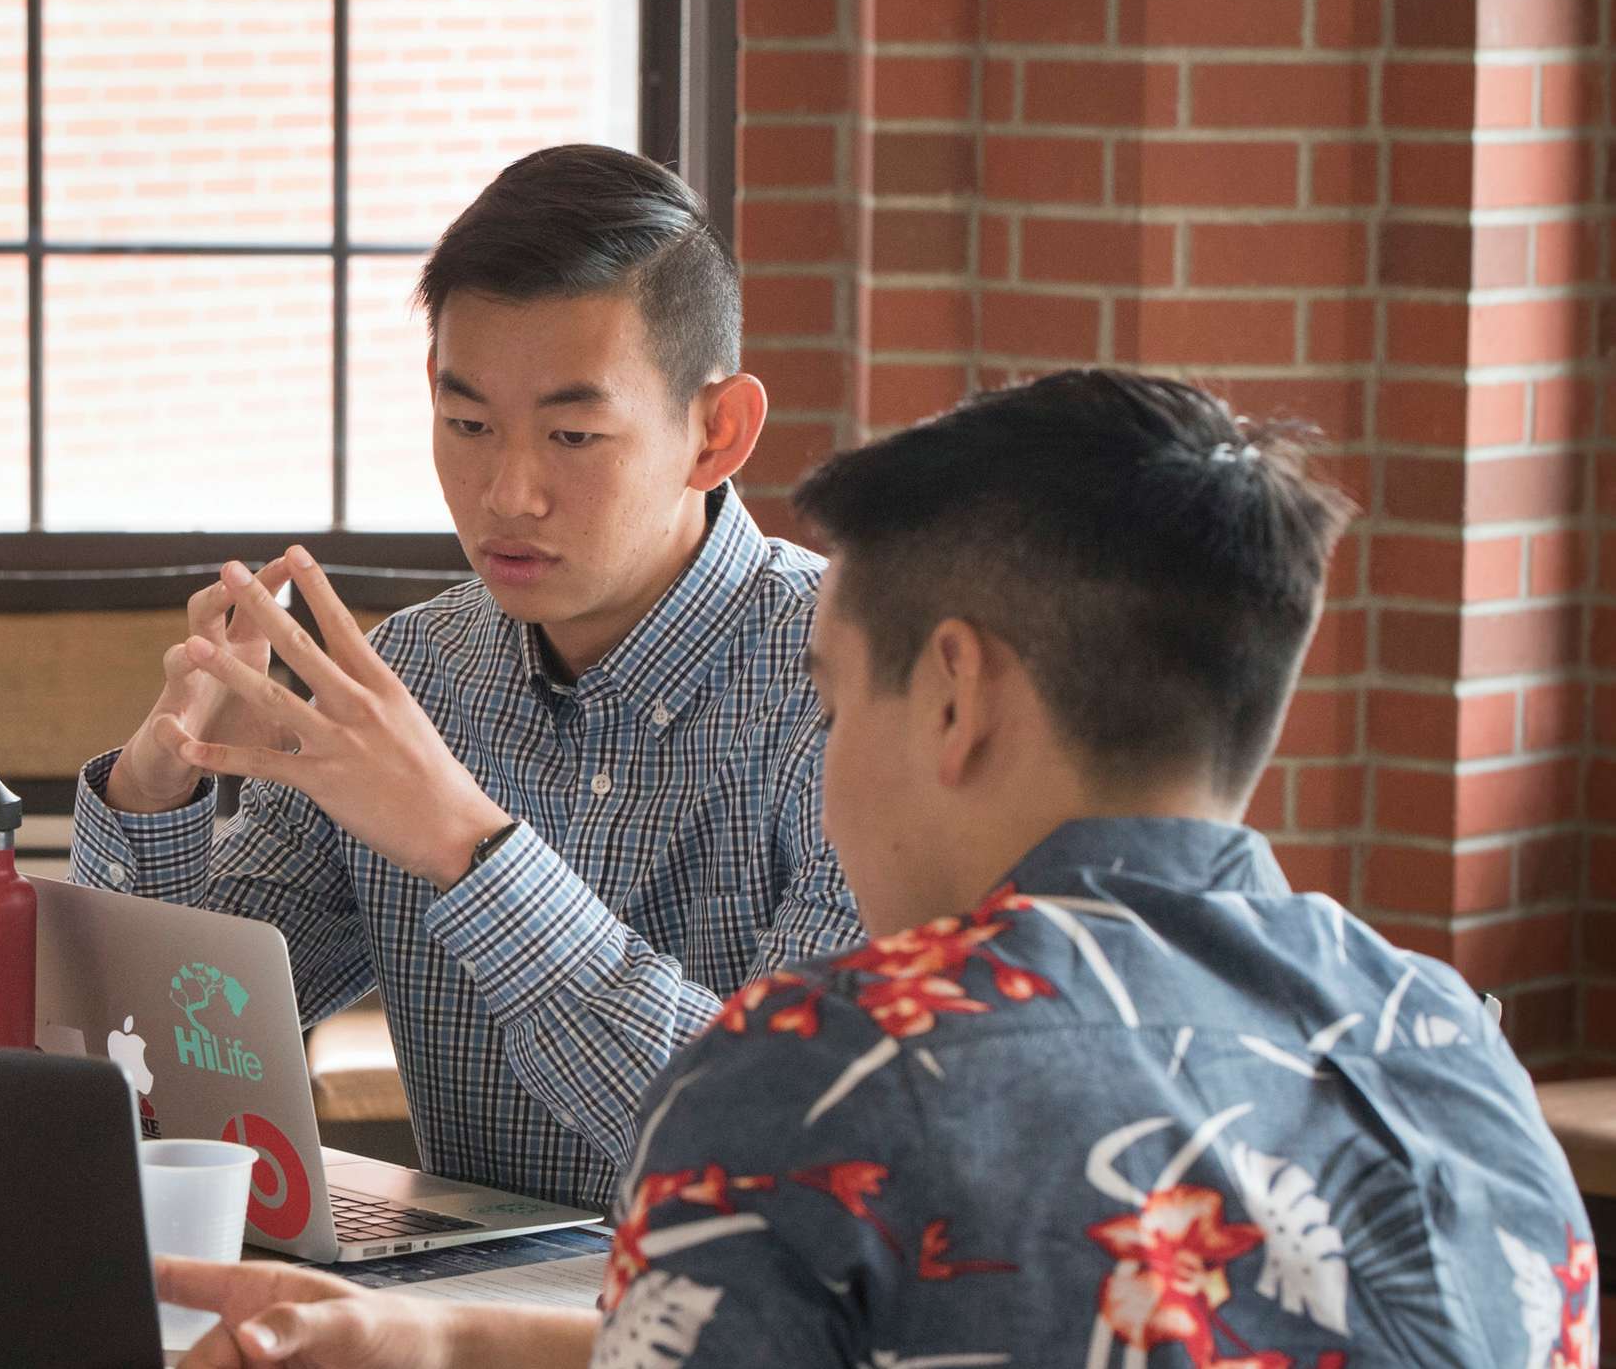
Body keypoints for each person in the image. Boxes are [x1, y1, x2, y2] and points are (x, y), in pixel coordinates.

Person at [159, 369, 1596, 1369]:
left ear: (956, 694)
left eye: (833, 701)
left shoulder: (830, 1065)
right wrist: (441, 1331)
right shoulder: (1446, 1042)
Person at [75, 145, 858, 1208]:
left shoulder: (855, 691)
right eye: (467, 425)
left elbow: (780, 1137)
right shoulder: (417, 672)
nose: (508, 492)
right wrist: (152, 794)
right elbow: (183, 1056)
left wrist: (466, 848)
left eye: (574, 434)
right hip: (446, 1318)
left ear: (716, 432)